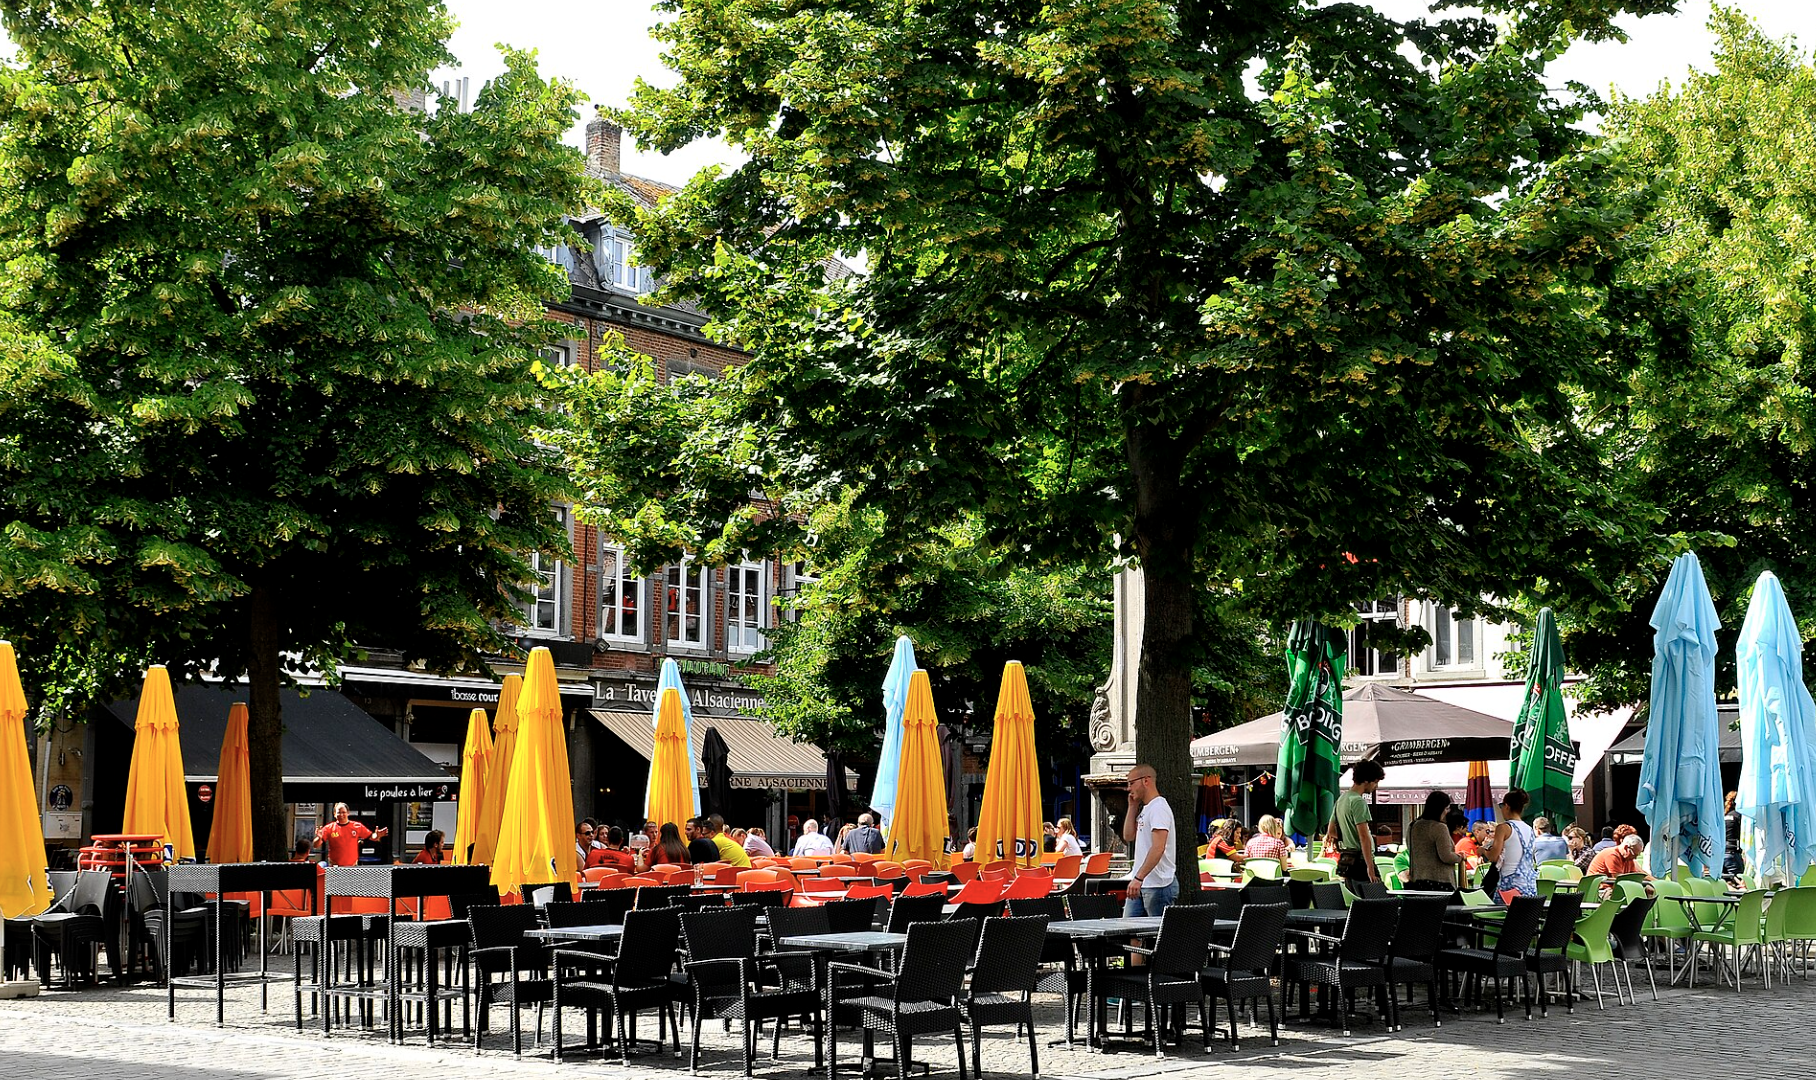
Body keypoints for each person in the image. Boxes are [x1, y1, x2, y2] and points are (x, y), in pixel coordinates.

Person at [1121, 763, 1177, 916]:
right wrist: (1132, 807)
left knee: (1156, 935)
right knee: (1128, 932)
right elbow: (1128, 836)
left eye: (1132, 783)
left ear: (1146, 781)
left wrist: (1139, 877)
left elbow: (1158, 847)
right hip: (1141, 882)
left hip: (1158, 884)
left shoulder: (1159, 807)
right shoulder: (1147, 808)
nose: (1128, 788)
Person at [1326, 760, 1385, 884]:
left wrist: (1348, 837)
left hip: (1347, 860)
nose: (1376, 786)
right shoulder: (1358, 801)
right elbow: (1364, 837)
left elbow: (1331, 831)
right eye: (1375, 782)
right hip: (1361, 861)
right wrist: (1370, 868)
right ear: (1366, 780)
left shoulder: (1341, 799)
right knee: (1377, 900)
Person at [1482, 787, 1539, 898]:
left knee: (1505, 914)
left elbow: (1494, 856)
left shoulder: (1504, 828)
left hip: (1510, 887)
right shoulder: (1530, 829)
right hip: (1529, 885)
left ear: (1507, 806)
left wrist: (1483, 850)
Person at [1404, 790, 1465, 891]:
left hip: (1418, 882)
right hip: (1439, 882)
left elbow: (1410, 848)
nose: (1448, 811)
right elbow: (1446, 856)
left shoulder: (1413, 826)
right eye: (1446, 808)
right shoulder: (1439, 827)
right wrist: (1460, 857)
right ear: (1439, 809)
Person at [312, 803, 388, 867]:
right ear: (335, 814)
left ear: (348, 813)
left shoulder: (357, 826)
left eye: (343, 812)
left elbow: (371, 837)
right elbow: (315, 845)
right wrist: (319, 837)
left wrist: (377, 835)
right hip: (335, 867)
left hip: (352, 866)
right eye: (339, 812)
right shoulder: (329, 828)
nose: (341, 814)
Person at [1724, 790, 1745, 878]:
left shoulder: (1724, 816)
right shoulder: (1740, 816)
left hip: (1722, 853)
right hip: (1733, 853)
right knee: (1738, 882)